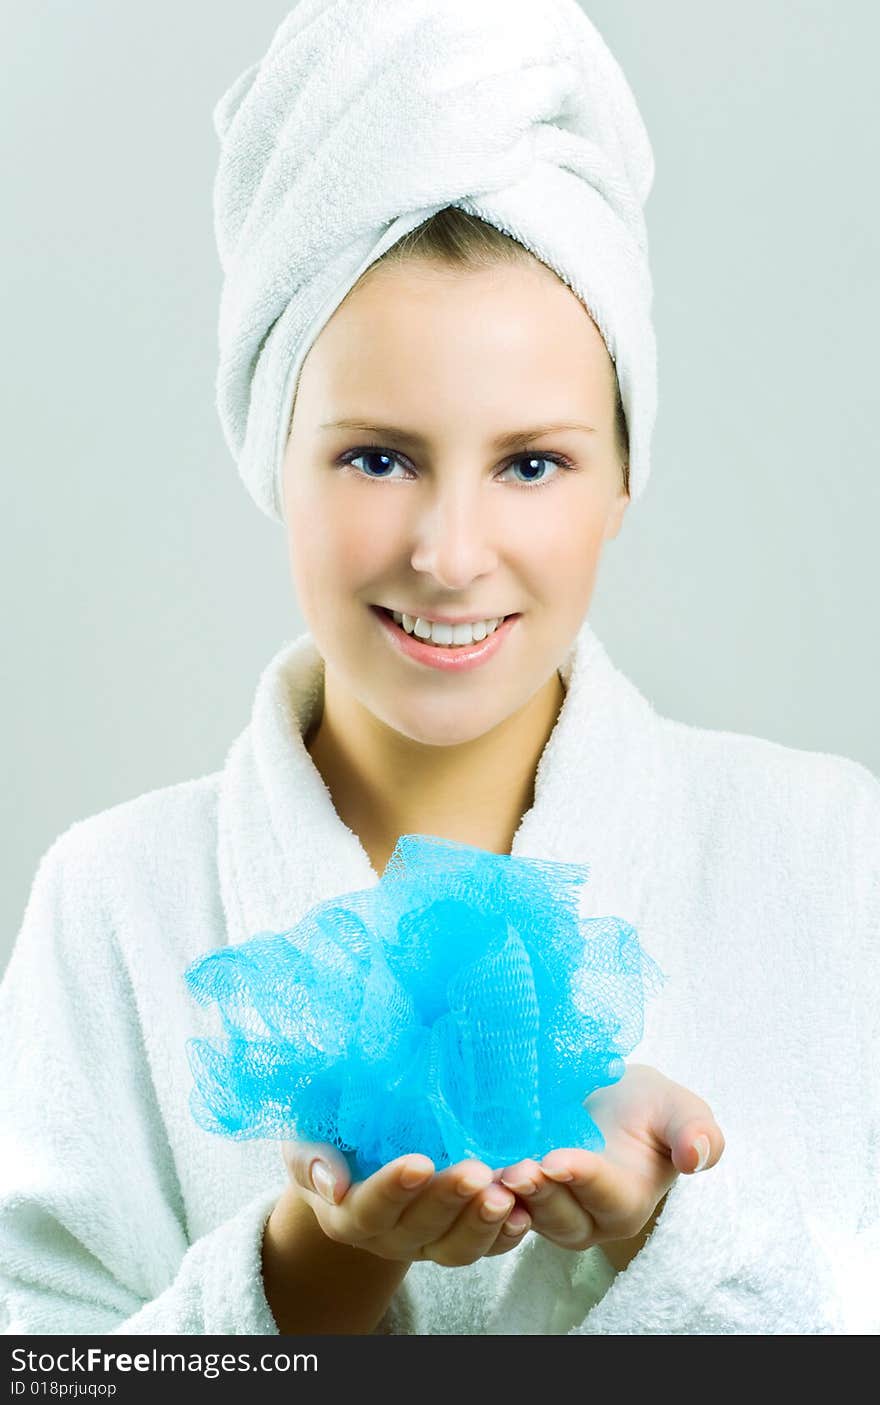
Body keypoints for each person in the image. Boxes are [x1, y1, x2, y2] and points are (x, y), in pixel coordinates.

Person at [2, 3, 878, 1336]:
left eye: (533, 462)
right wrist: (309, 1271)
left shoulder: (826, 855)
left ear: (625, 473)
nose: (451, 552)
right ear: (271, 460)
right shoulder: (114, 903)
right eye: (377, 456)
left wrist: (677, 1230)